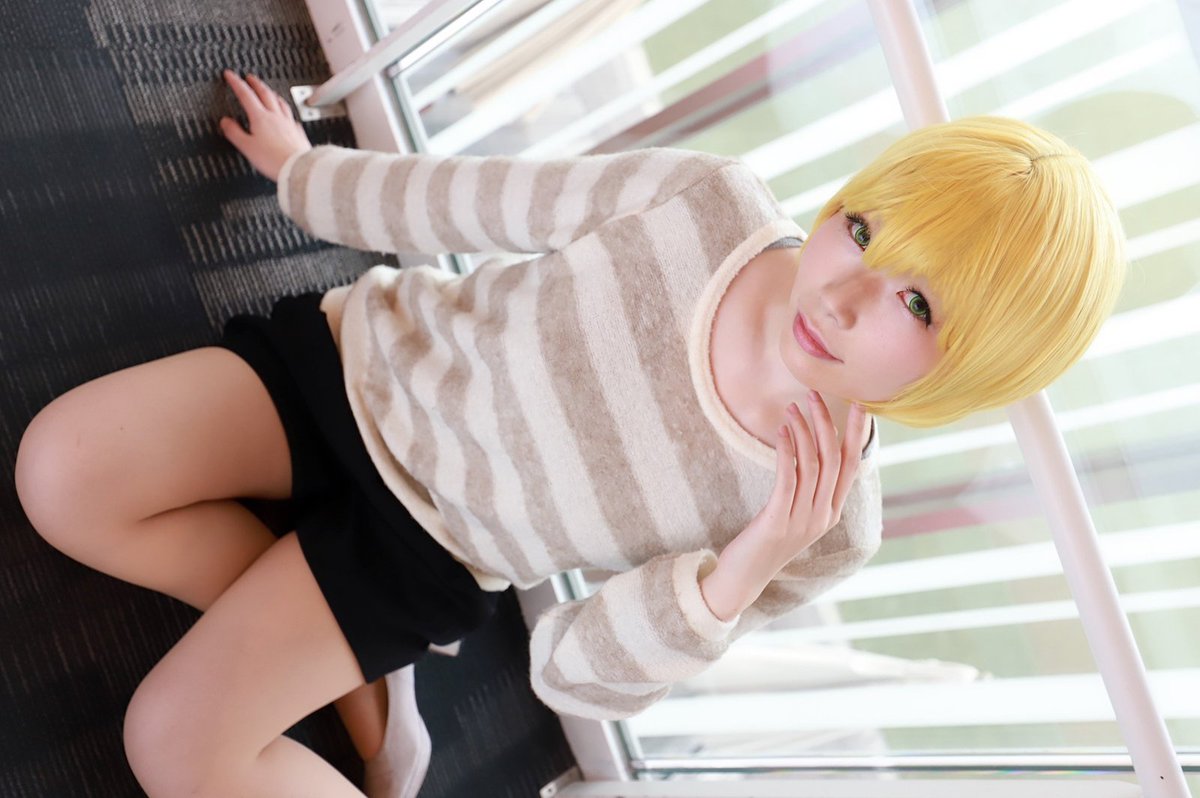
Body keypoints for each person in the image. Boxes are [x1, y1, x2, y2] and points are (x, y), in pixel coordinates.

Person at [12, 68, 1126, 798]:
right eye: (865, 229)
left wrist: (739, 574)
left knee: (171, 745)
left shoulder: (824, 527)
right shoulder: (703, 205)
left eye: (916, 303)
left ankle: (362, 676)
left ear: (974, 366)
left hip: (431, 552)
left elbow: (568, 677)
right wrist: (307, 176)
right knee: (59, 474)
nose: (840, 296)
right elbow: (476, 201)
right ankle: (366, 688)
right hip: (363, 368)